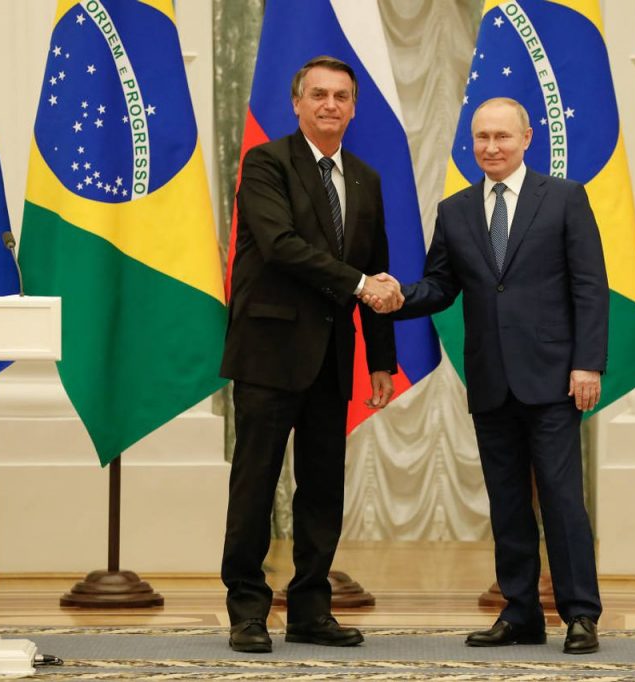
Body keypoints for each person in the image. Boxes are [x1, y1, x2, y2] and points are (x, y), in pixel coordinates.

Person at [366, 97, 607, 654]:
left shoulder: (565, 198)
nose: (491, 147)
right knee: (506, 501)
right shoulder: (455, 211)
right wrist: (398, 296)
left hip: (554, 379)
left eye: (502, 136)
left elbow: (590, 286)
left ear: (526, 138)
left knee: (562, 500)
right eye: (482, 137)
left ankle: (580, 614)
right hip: (491, 380)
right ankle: (520, 613)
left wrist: (588, 363)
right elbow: (440, 286)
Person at [220, 55, 404, 654]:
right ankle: (247, 610)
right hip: (268, 353)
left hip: (331, 356)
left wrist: (381, 359)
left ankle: (309, 609)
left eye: (341, 96)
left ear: (354, 108)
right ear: (297, 103)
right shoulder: (267, 163)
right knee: (255, 485)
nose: (330, 105)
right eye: (318, 94)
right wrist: (361, 285)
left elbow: (377, 267)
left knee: (322, 489)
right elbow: (282, 246)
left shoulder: (366, 178)